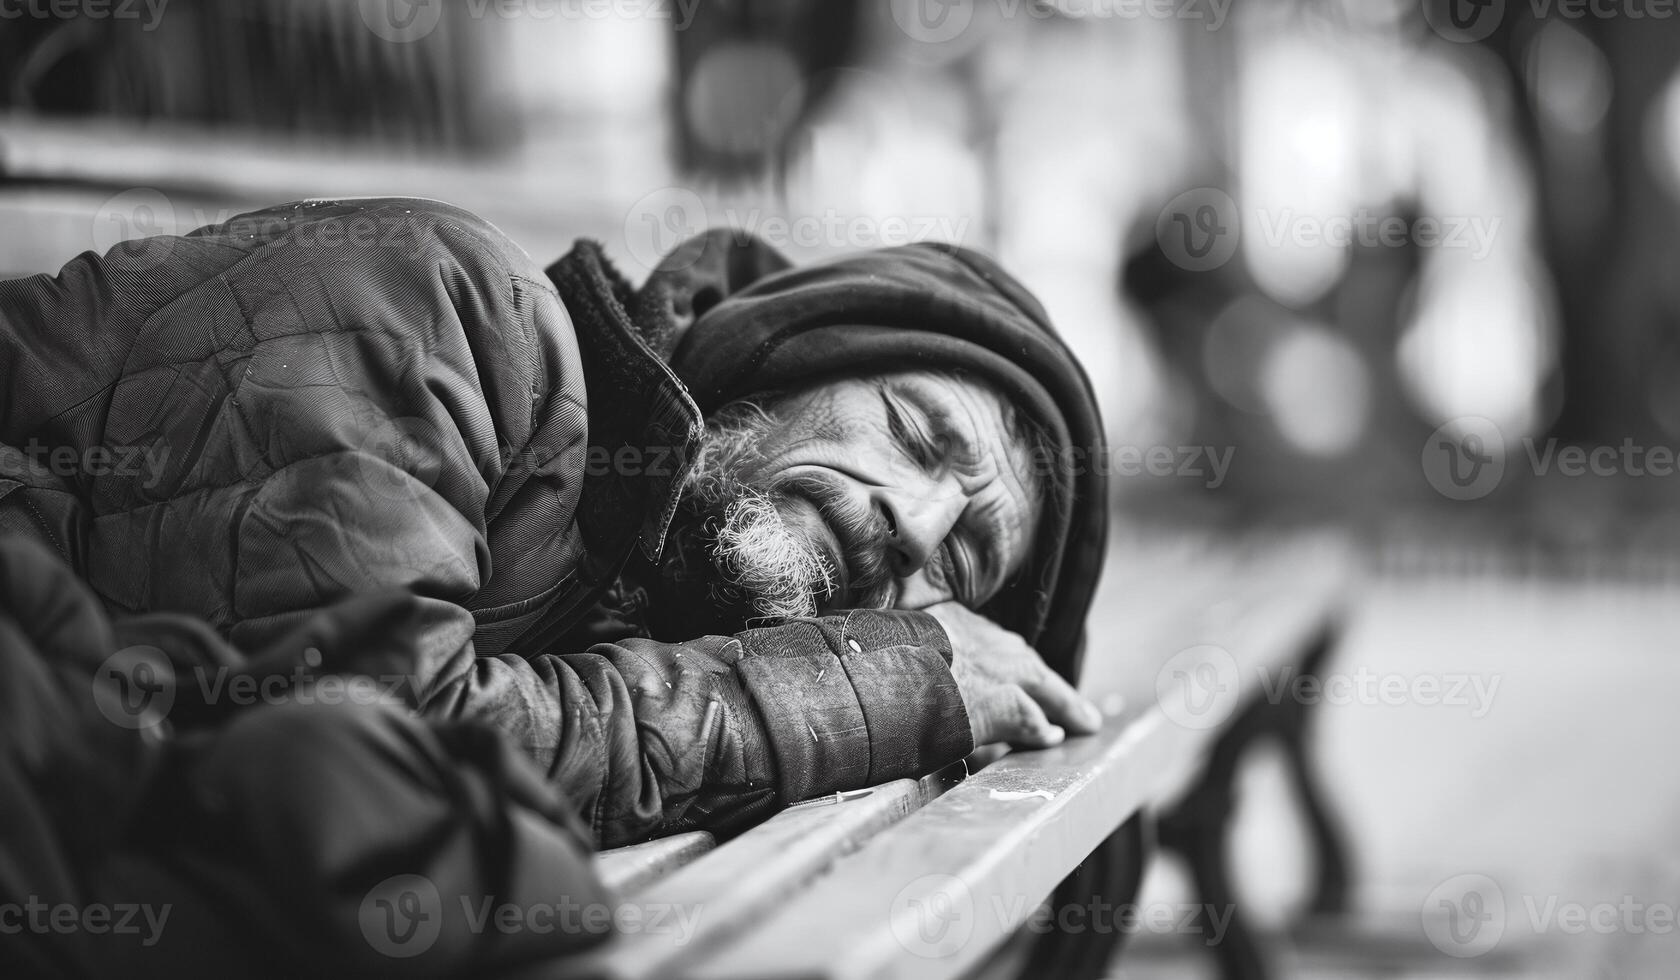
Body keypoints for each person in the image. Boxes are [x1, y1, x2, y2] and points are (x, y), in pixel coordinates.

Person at [0, 198, 1110, 975]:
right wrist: (848, 690)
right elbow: (372, 735)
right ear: (792, 357)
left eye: (960, 563)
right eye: (918, 433)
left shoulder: (652, 592)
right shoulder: (451, 307)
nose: (914, 521)